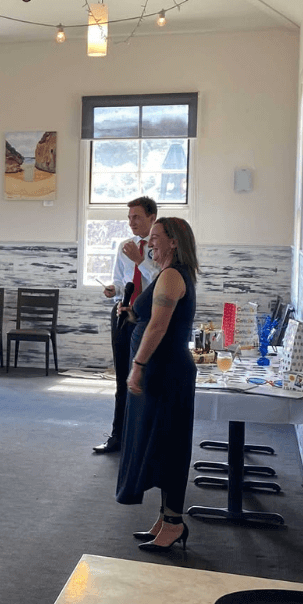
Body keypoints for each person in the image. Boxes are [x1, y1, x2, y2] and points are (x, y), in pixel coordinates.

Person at [116, 217, 199, 554]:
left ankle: (175, 522)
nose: (148, 243)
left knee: (169, 445)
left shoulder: (172, 276)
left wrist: (137, 366)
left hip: (166, 372)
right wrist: (133, 313)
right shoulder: (166, 274)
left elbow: (159, 328)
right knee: (158, 442)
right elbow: (150, 318)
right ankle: (165, 518)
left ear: (174, 241)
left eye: (154, 237)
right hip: (161, 370)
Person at [93, 196, 161, 455]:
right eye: (129, 217)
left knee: (145, 377)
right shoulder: (124, 246)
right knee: (122, 378)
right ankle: (118, 436)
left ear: (152, 218)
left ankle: (145, 439)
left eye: (137, 217)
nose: (131, 222)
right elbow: (122, 281)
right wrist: (113, 289)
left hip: (150, 319)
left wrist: (140, 260)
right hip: (124, 315)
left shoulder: (158, 247)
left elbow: (160, 279)